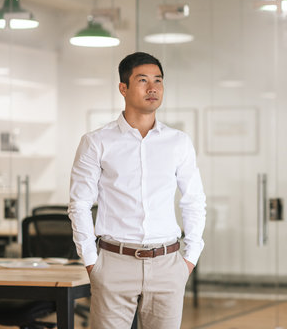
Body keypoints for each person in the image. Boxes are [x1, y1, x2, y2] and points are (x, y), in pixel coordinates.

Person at [68, 52, 206, 329]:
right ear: (123, 88)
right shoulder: (96, 142)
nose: (152, 88)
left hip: (168, 263)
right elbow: (79, 205)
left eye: (158, 81)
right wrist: (92, 263)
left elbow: (193, 201)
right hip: (114, 262)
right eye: (143, 80)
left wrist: (189, 259)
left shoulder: (178, 142)